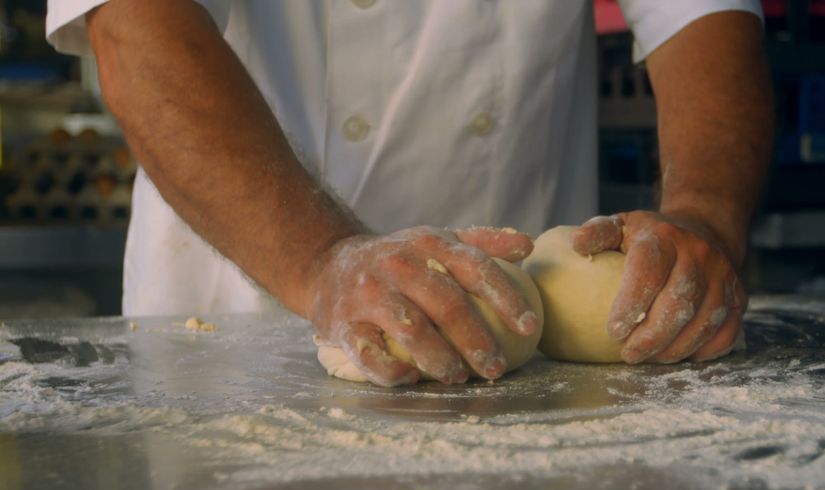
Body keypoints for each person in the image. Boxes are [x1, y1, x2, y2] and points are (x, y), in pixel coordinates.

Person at [46, 1, 775, 386]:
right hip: (232, 325)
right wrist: (323, 262)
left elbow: (704, 18)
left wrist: (703, 216)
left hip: (519, 353)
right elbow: (136, 27)